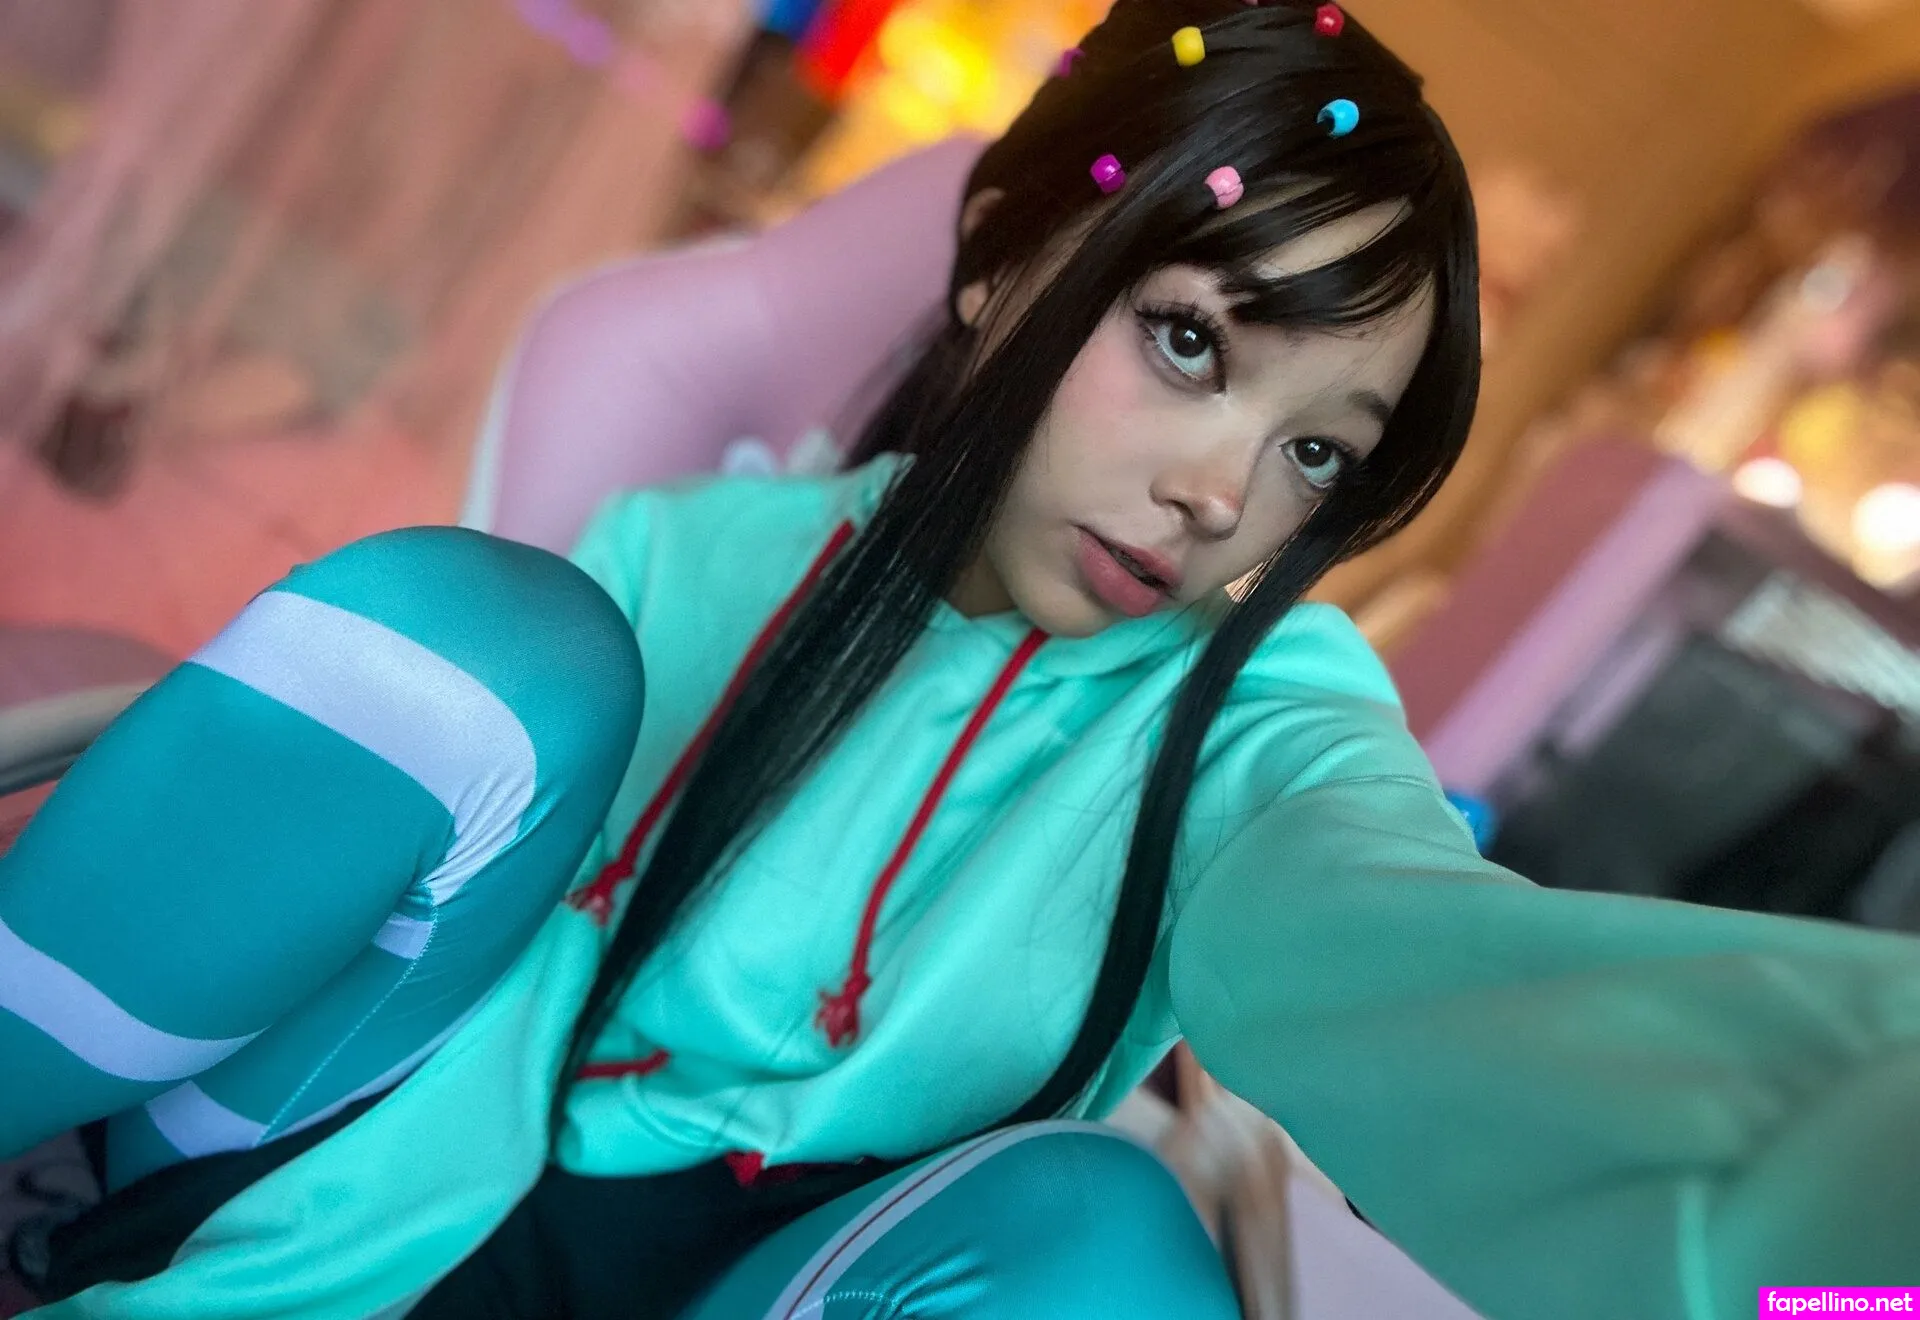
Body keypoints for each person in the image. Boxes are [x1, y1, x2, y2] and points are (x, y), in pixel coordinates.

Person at [2, 2, 1915, 1316]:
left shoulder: (1251, 721)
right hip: (347, 1177)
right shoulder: (691, 550)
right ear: (1008, 269)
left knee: (1100, 1227)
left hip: (763, 1280)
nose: (1223, 495)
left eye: (1318, 455)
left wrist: (1841, 1246)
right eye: (1192, 344)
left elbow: (1400, 953)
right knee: (493, 636)